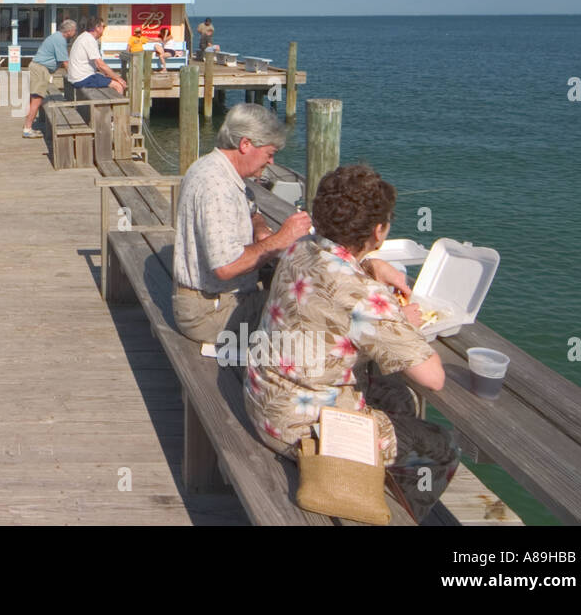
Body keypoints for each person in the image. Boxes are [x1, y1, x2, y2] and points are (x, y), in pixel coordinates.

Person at [243, 164, 458, 518]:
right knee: (442, 445)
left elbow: (334, 279)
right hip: (302, 430)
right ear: (378, 231)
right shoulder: (365, 298)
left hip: (263, 398)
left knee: (396, 395)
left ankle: (374, 478)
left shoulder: (301, 250)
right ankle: (402, 514)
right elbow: (433, 379)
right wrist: (403, 323)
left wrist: (372, 265)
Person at [173, 104, 312, 344]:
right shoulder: (215, 186)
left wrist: (260, 229)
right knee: (309, 313)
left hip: (213, 302)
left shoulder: (218, 169)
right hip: (210, 314)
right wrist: (281, 239)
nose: (271, 161)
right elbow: (225, 267)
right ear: (245, 144)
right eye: (269, 153)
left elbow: (251, 208)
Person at [21, 19, 77, 138]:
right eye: (75, 30)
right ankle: (27, 128)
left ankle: (28, 125)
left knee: (35, 98)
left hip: (39, 68)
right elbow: (65, 62)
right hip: (40, 69)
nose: (75, 32)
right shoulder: (60, 40)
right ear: (69, 31)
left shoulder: (56, 36)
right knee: (36, 99)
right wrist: (74, 77)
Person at [66, 16, 127, 94]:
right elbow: (100, 65)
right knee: (118, 86)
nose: (104, 29)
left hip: (77, 77)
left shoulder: (83, 36)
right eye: (103, 26)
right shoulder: (89, 40)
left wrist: (110, 75)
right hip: (82, 78)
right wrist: (118, 78)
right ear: (97, 27)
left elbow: (98, 65)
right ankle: (117, 106)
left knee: (110, 79)